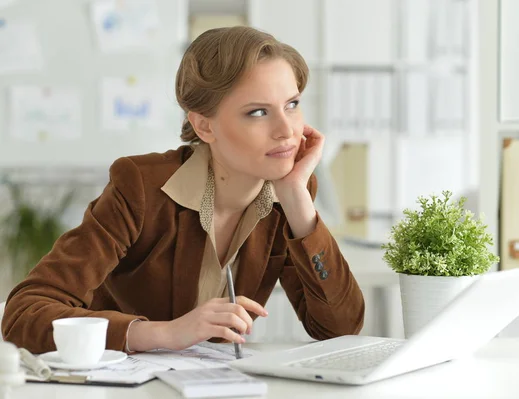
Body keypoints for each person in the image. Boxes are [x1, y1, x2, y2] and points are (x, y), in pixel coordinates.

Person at [1, 26, 365, 354]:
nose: (286, 130)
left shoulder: (291, 192)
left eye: (292, 104)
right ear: (204, 126)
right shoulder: (141, 186)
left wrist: (300, 205)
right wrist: (164, 333)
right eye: (257, 112)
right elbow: (23, 314)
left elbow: (341, 328)